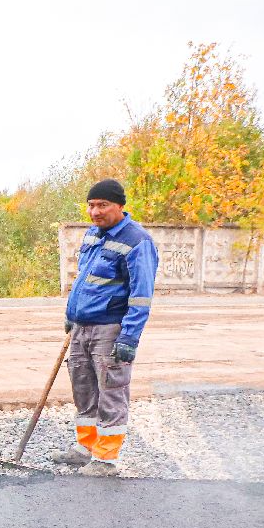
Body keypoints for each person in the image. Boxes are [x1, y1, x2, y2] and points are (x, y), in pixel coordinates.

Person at [51, 179, 159, 476]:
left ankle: (106, 459)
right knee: (83, 389)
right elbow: (84, 280)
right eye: (91, 205)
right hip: (81, 327)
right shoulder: (92, 235)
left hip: (110, 329)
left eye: (103, 205)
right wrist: (71, 313)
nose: (95, 211)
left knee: (111, 391)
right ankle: (86, 447)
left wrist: (129, 337)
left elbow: (141, 295)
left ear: (120, 206)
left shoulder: (137, 241)